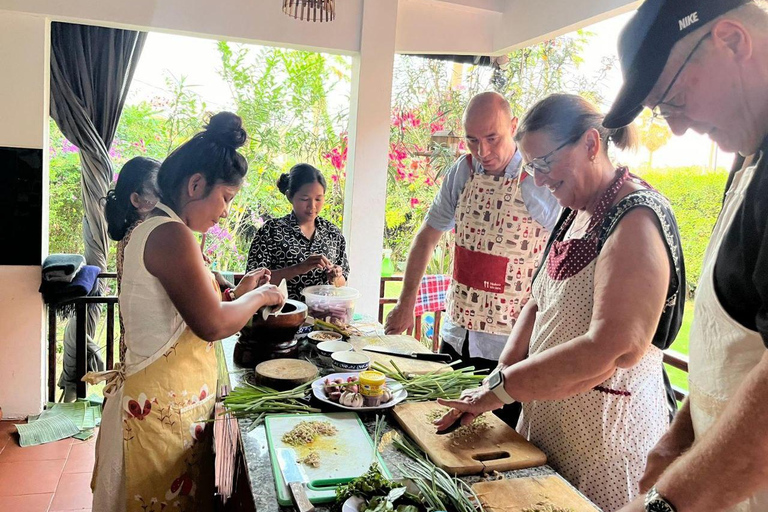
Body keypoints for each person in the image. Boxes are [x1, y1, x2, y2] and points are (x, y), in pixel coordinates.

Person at [434, 93, 686, 512]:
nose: (538, 179)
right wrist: (498, 374)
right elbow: (537, 302)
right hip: (552, 426)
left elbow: (611, 346)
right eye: (531, 167)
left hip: (605, 443)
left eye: (546, 164)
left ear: (591, 144)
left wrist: (500, 390)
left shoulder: (635, 218)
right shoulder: (574, 211)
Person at [601, 1, 768, 511]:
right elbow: (740, 347)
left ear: (733, 41)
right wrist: (682, 432)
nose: (674, 130)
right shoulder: (749, 159)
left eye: (670, 100)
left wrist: (663, 506)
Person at [88, 112, 284, 512]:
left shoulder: (153, 228)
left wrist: (239, 294)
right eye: (226, 198)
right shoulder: (171, 234)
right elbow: (212, 324)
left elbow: (186, 317)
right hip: (158, 414)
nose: (227, 212)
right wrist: (262, 295)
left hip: (162, 405)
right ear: (196, 184)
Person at [385, 91, 560, 425]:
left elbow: (561, 253)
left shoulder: (537, 179)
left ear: (513, 126)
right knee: (442, 426)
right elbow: (427, 236)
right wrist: (406, 302)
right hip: (457, 333)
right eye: (472, 140)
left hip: (508, 348)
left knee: (494, 440)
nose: (483, 152)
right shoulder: (462, 171)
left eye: (492, 138)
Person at [246, 163, 349, 301]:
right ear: (289, 196)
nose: (312, 206)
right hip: (281, 317)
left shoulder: (333, 234)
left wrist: (336, 276)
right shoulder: (271, 231)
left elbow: (342, 282)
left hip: (322, 317)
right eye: (304, 199)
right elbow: (252, 282)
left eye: (318, 199)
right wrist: (299, 268)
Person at [104, 156, 161, 363]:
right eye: (159, 192)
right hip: (149, 354)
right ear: (136, 200)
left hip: (136, 348)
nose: (166, 199)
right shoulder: (143, 233)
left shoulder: (134, 233)